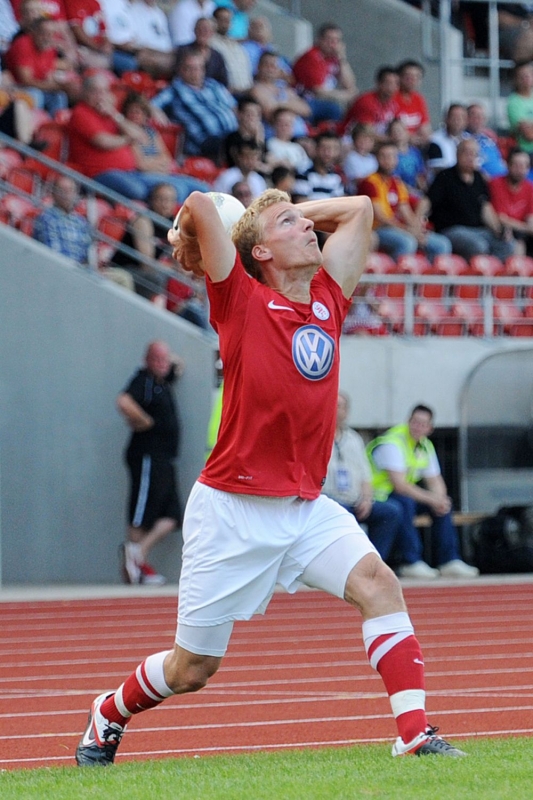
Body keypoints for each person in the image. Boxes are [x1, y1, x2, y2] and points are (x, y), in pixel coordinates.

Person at [75, 186, 466, 767]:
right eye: (292, 225)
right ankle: (110, 710)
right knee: (192, 670)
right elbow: (202, 204)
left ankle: (413, 735)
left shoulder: (329, 298)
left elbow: (359, 209)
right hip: (232, 508)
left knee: (379, 584)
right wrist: (234, 225)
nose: (311, 229)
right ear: (259, 254)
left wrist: (277, 216)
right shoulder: (240, 301)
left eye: (306, 223)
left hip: (305, 506)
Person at [366, 405, 480, 580]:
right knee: (405, 503)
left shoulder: (425, 446)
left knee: (444, 504)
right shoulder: (392, 442)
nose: (417, 427)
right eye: (414, 422)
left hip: (404, 495)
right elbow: (400, 485)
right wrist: (431, 499)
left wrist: (440, 499)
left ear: (430, 428)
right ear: (408, 421)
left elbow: (435, 480)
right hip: (380, 497)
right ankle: (411, 561)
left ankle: (449, 560)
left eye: (422, 424)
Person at [67, 73, 209, 203]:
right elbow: (104, 141)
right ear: (85, 92)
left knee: (201, 188)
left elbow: (138, 135)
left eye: (104, 91)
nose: (101, 96)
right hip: (100, 175)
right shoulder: (81, 113)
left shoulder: (110, 113)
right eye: (95, 91)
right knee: (146, 191)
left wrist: (113, 114)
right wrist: (127, 139)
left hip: (130, 173)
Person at [116, 340, 184, 586]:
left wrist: (167, 360)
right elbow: (123, 401)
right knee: (141, 510)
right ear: (147, 360)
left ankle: (137, 555)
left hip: (165, 458)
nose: (163, 364)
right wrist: (144, 420)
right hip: (147, 456)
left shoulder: (162, 381)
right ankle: (135, 560)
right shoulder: (143, 380)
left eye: (164, 360)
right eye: (157, 360)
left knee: (174, 515)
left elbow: (179, 364)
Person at [322, 392, 404, 563]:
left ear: (347, 411)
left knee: (391, 511)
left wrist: (366, 499)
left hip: (355, 500)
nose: (335, 410)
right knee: (341, 513)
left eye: (340, 406)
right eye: (332, 404)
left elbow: (366, 476)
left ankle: (373, 562)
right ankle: (343, 565)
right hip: (329, 500)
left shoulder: (354, 438)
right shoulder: (316, 435)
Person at [32, 174, 134, 290]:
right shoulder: (47, 218)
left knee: (123, 277)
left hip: (84, 270)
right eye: (62, 190)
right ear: (53, 193)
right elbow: (54, 254)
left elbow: (88, 249)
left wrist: (93, 267)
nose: (67, 195)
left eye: (70, 190)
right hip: (62, 270)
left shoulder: (80, 221)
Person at [358, 140, 451, 262]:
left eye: (392, 156)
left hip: (395, 227)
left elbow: (406, 211)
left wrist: (417, 231)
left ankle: (429, 279)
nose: (388, 160)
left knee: (442, 244)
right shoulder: (370, 182)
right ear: (377, 159)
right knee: (407, 242)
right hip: (376, 229)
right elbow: (380, 217)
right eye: (384, 156)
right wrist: (406, 230)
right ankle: (395, 279)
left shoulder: (397, 183)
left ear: (397, 159)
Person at [427, 138, 516, 261]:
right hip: (452, 229)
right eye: (466, 152)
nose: (470, 157)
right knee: (479, 246)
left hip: (477, 230)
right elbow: (427, 201)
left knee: (508, 245)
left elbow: (485, 208)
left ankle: (492, 275)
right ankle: (471, 275)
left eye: (474, 153)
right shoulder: (444, 176)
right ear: (457, 154)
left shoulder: (479, 177)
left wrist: (499, 231)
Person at [151, 51, 237, 162]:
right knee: (238, 149)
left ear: (203, 70)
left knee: (250, 141)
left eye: (198, 68)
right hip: (205, 142)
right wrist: (158, 113)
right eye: (189, 68)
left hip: (231, 135)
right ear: (181, 70)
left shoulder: (214, 86)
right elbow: (151, 104)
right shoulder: (175, 90)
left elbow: (234, 107)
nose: (194, 72)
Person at [110, 180, 177, 297]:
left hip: (148, 272)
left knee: (181, 284)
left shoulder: (173, 225)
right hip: (125, 269)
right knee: (156, 280)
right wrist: (171, 268)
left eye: (170, 200)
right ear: (152, 200)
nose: (165, 204)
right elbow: (146, 263)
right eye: (161, 199)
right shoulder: (143, 220)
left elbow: (181, 262)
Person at [4, 16, 78, 116]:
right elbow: (25, 80)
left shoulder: (49, 48)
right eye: (44, 33)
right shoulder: (23, 44)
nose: (49, 37)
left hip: (34, 86)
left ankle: (55, 125)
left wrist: (63, 85)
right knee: (37, 95)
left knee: (60, 95)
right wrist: (58, 86)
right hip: (13, 87)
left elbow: (48, 76)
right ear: (33, 32)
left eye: (52, 34)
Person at [292, 22, 357, 124]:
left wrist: (342, 59)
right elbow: (318, 91)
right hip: (305, 99)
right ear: (320, 40)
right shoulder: (312, 56)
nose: (333, 45)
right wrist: (345, 96)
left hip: (326, 99)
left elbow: (349, 85)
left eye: (337, 41)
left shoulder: (335, 58)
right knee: (336, 109)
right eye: (330, 40)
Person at [250, 50, 311, 138]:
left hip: (300, 134)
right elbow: (271, 112)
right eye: (267, 65)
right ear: (259, 67)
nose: (271, 68)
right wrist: (292, 105)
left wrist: (280, 105)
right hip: (276, 138)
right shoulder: (256, 89)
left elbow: (306, 110)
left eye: (274, 66)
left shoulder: (284, 87)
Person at [489, 147, 533, 256]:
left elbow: (530, 217)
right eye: (516, 165)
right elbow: (501, 219)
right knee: (517, 242)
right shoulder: (496, 183)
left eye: (524, 166)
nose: (520, 170)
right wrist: (526, 228)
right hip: (500, 230)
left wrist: (529, 227)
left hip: (522, 230)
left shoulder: (530, 188)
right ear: (508, 165)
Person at [339, 65, 399, 140]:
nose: (392, 87)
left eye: (396, 84)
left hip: (375, 141)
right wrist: (392, 140)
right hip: (350, 139)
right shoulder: (366, 101)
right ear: (379, 83)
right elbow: (367, 131)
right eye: (388, 83)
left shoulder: (393, 103)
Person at [210, 5, 253, 96]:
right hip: (225, 93)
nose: (226, 23)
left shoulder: (238, 46)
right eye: (222, 19)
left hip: (245, 93)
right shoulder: (210, 43)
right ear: (214, 21)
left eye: (228, 20)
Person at [175, 16, 228, 88]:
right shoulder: (182, 51)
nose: (203, 32)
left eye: (206, 30)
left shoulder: (217, 56)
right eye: (199, 29)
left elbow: (223, 83)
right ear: (194, 30)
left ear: (213, 33)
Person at [292, 130, 345, 200]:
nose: (328, 153)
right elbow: (302, 203)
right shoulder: (303, 173)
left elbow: (340, 203)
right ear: (316, 149)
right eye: (324, 148)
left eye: (333, 148)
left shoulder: (336, 177)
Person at [394, 59, 432, 148]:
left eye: (417, 77)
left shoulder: (418, 98)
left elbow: (425, 125)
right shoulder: (392, 98)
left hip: (417, 144)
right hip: (397, 145)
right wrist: (409, 137)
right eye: (409, 76)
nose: (413, 80)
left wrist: (426, 136)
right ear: (399, 77)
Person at [465, 103, 507, 179]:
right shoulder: (463, 140)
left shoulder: (488, 139)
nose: (478, 119)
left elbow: (499, 160)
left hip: (503, 181)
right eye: (474, 116)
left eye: (481, 116)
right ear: (466, 118)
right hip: (484, 182)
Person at [265, 107, 313, 174]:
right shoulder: (268, 144)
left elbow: (306, 167)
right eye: (281, 123)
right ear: (274, 124)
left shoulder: (297, 148)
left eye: (288, 124)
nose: (284, 127)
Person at [426, 103, 468, 177]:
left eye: (461, 117)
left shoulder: (469, 140)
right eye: (454, 117)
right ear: (446, 119)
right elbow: (438, 170)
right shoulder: (435, 140)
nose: (457, 121)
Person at [341, 122, 378, 195]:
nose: (364, 142)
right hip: (356, 193)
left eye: (368, 140)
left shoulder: (373, 159)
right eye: (361, 139)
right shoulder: (351, 157)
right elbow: (357, 180)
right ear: (354, 140)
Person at [507, 61, 533, 157]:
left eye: (528, 76)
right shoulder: (513, 102)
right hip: (526, 152)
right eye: (522, 76)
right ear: (517, 80)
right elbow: (529, 135)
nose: (525, 79)